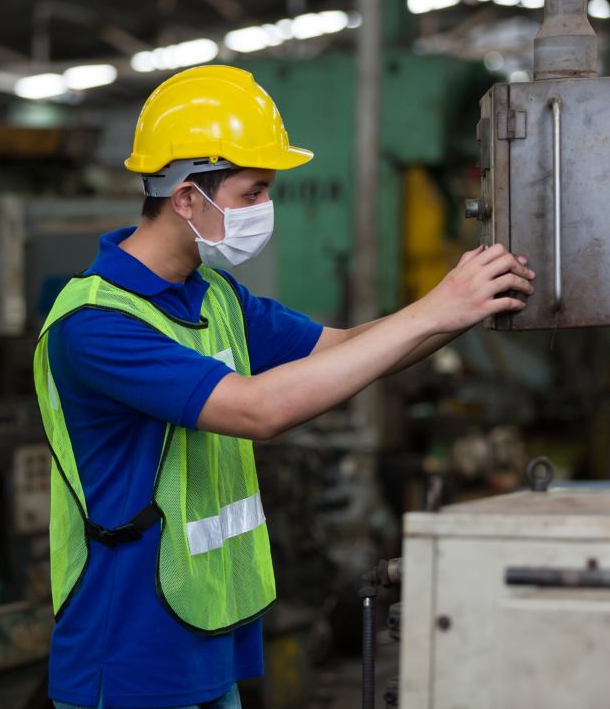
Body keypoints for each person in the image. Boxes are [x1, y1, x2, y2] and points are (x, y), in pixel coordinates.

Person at [34, 64, 534, 709]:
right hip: (129, 652)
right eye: (252, 193)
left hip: (204, 632)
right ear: (186, 197)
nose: (266, 211)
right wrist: (438, 307)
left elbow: (349, 348)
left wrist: (466, 305)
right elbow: (258, 409)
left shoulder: (214, 296)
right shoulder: (96, 325)